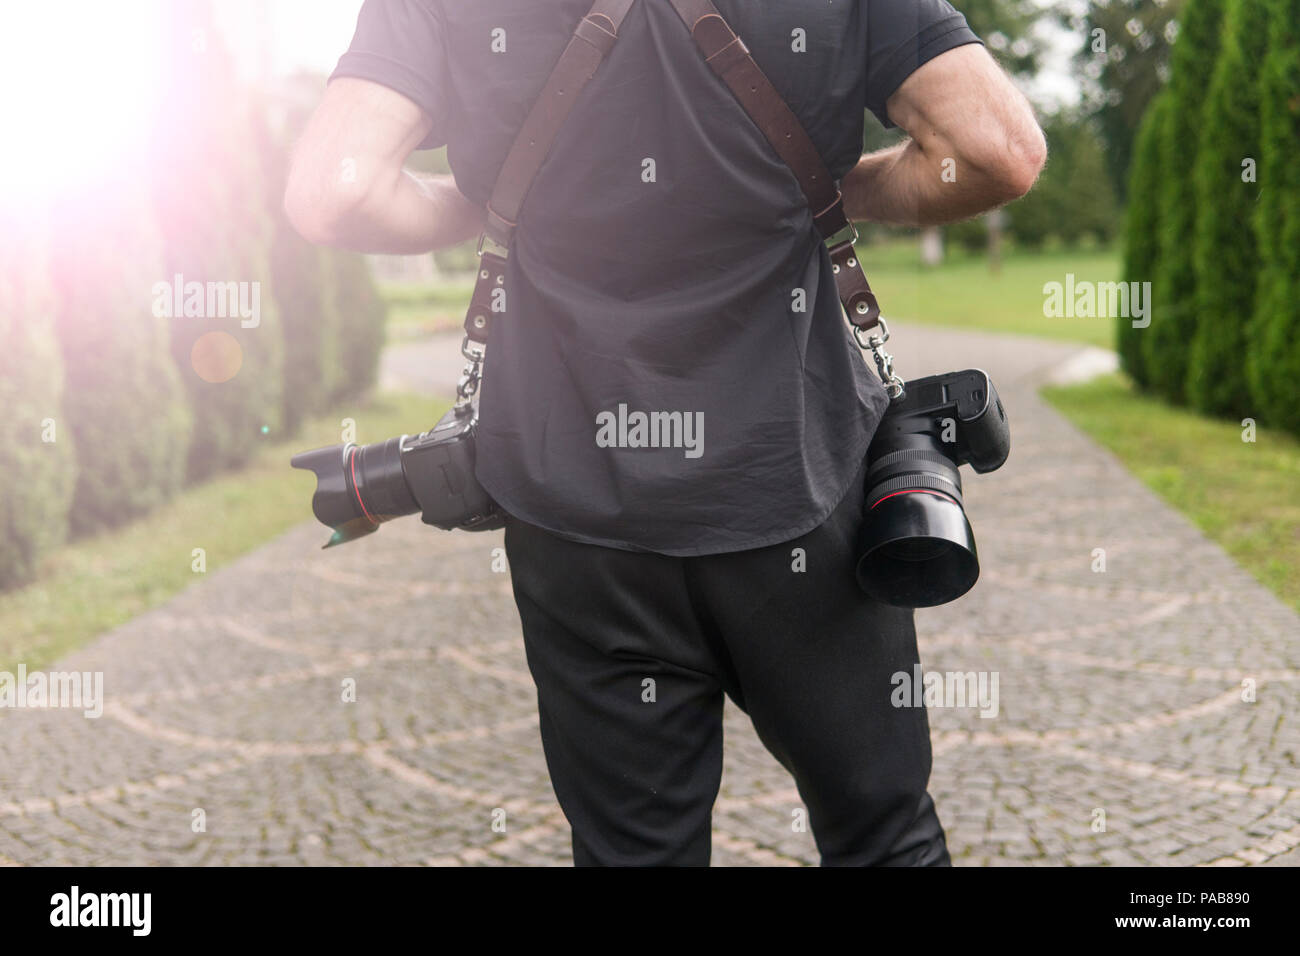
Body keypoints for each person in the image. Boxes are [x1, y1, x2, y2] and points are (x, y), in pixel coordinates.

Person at [286, 0, 1046, 866]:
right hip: (802, 491)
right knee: (882, 836)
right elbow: (997, 151)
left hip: (577, 520)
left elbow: (334, 190)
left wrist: (482, 208)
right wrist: (835, 188)